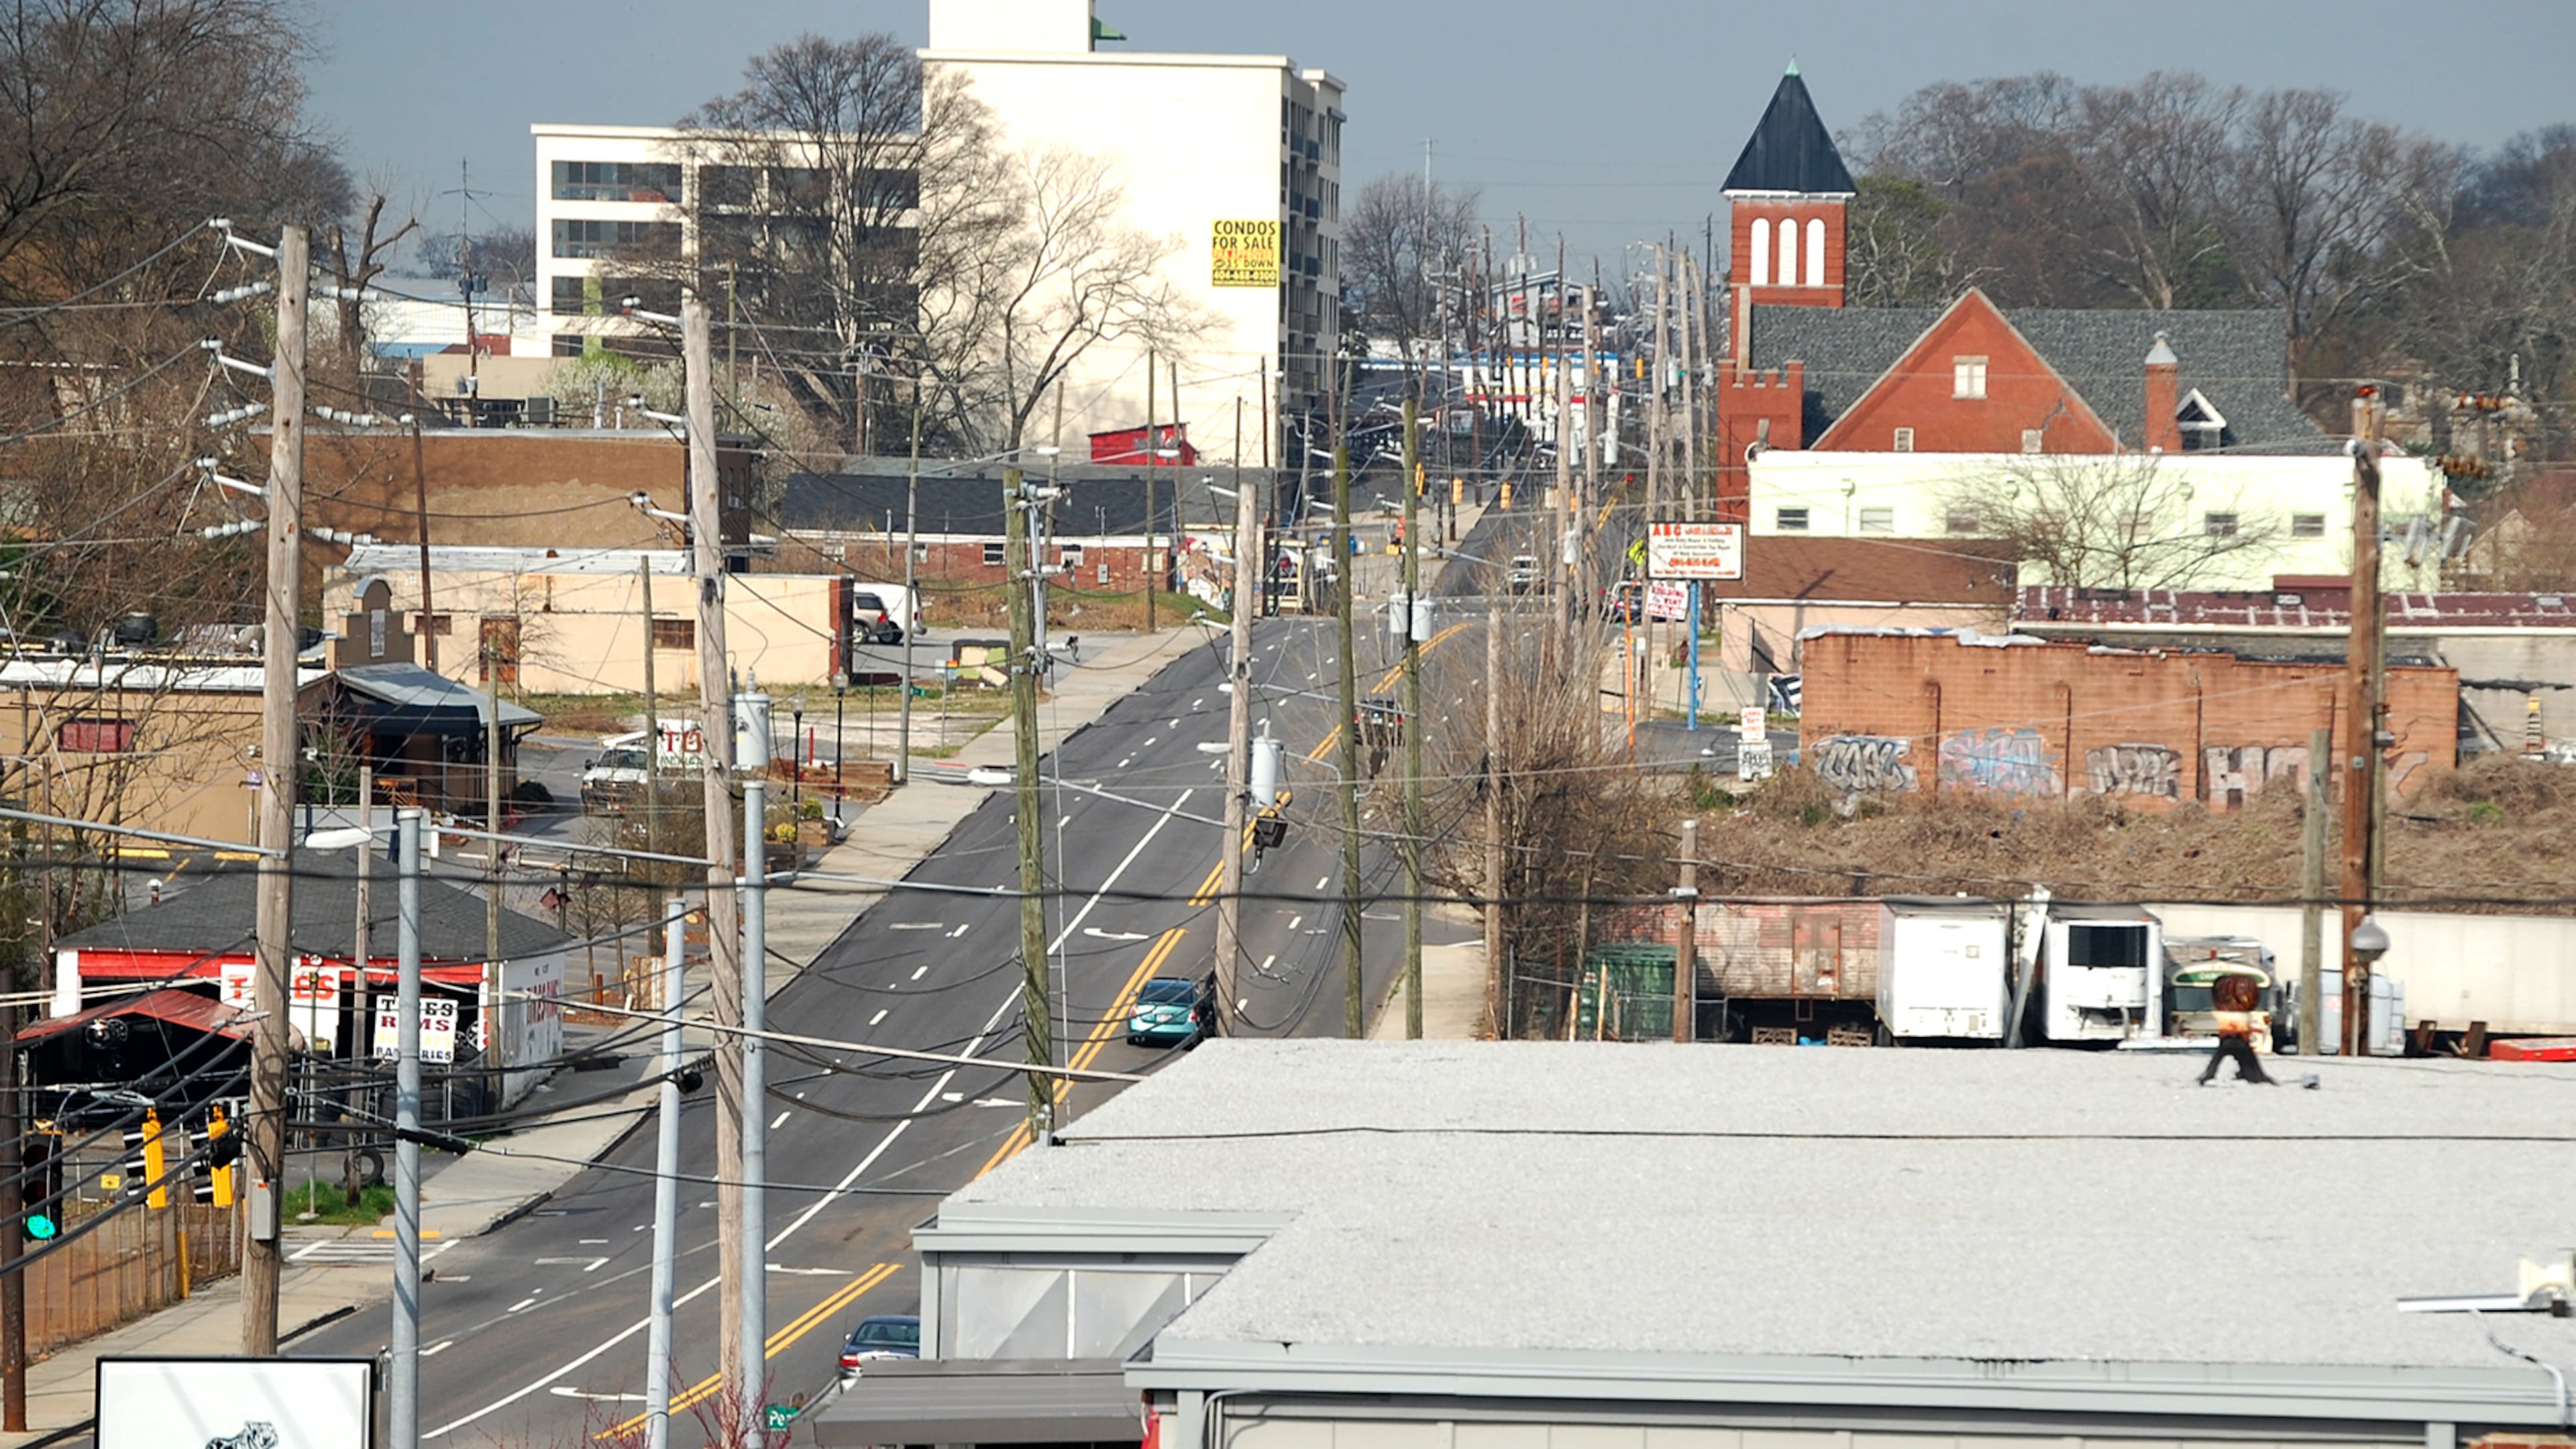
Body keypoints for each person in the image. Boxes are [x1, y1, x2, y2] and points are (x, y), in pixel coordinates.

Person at [2198, 971, 2275, 1085]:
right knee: (2247, 1059)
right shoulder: (2238, 1014)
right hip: (2238, 1038)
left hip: (2231, 1038)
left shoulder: (2225, 1013)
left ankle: (2211, 1074)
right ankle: (2252, 1075)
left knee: (2220, 1058)